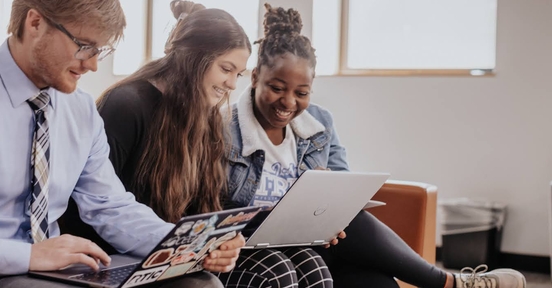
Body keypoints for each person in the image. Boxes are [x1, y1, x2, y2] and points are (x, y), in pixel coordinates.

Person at [0, 0, 243, 287]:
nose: (94, 65)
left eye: (102, 51)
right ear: (35, 23)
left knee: (199, 283)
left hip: (51, 273)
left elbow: (110, 207)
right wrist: (27, 256)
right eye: (85, 46)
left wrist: (184, 245)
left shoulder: (79, 110)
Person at [223, 3, 528, 288]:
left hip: (310, 242)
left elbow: (342, 187)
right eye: (276, 88)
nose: (288, 102)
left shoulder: (319, 123)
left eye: (302, 92)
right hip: (248, 247)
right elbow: (212, 209)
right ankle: (447, 283)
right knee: (334, 244)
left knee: (373, 277)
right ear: (254, 78)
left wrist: (330, 217)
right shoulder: (223, 129)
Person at [59, 1, 333, 287]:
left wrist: (219, 243)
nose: (231, 84)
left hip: (176, 252)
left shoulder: (208, 117)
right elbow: (90, 206)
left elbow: (204, 208)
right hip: (119, 255)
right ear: (195, 58)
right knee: (270, 272)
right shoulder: (127, 105)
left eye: (237, 74)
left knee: (313, 266)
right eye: (226, 69)